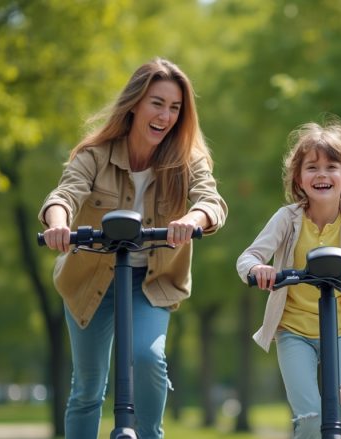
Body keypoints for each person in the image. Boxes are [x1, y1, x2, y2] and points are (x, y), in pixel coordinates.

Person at [38, 57, 227, 439]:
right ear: (135, 104)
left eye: (175, 108)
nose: (166, 116)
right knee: (88, 388)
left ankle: (150, 434)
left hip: (152, 280)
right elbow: (65, 194)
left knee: (148, 356)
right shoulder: (95, 155)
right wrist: (58, 225)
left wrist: (192, 221)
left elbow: (212, 202)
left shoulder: (187, 160)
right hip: (90, 276)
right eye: (157, 103)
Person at [236, 117, 341, 439]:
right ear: (299, 179)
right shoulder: (287, 219)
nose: (322, 174)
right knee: (311, 420)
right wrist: (259, 269)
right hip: (294, 330)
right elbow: (248, 258)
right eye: (312, 168)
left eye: (331, 167)